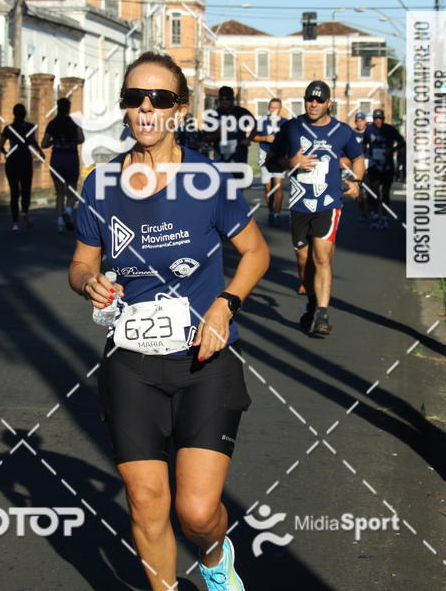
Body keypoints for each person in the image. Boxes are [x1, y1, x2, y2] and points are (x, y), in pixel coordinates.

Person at [69, 51, 269, 591]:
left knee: (197, 512)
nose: (146, 109)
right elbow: (82, 261)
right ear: (125, 109)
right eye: (135, 98)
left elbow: (255, 253)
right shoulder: (102, 184)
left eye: (159, 98)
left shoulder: (208, 179)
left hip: (203, 361)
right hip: (130, 362)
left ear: (179, 109)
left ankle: (214, 557)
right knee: (145, 500)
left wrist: (226, 306)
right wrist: (89, 280)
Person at [266, 80, 364, 336]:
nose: (314, 104)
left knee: (321, 256)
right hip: (299, 204)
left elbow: (358, 157)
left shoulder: (342, 131)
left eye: (319, 100)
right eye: (310, 98)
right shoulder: (292, 128)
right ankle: (311, 302)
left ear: (329, 103)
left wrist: (357, 181)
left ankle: (322, 313)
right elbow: (271, 161)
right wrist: (291, 161)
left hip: (328, 203)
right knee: (302, 261)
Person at [41, 98, 85, 232]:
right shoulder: (74, 123)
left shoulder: (52, 124)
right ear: (68, 108)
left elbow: (44, 144)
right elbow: (81, 139)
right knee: (71, 191)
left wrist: (54, 141)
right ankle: (68, 211)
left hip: (57, 159)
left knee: (59, 193)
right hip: (71, 158)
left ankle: (60, 223)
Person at [0, 104, 44, 231]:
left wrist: (7, 154)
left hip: (12, 161)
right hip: (25, 159)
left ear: (14, 113)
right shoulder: (29, 127)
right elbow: (32, 141)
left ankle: (15, 223)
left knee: (14, 192)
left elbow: (1, 145)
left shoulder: (8, 128)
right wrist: (40, 152)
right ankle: (24, 212)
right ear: (25, 114)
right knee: (26, 188)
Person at [363, 109, 405, 230]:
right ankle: (375, 213)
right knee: (373, 190)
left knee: (386, 192)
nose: (378, 121)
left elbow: (402, 142)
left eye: (380, 118)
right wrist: (362, 155)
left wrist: (391, 150)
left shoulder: (390, 129)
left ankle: (385, 214)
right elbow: (364, 144)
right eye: (376, 119)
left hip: (387, 165)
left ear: (383, 119)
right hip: (374, 165)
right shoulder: (369, 129)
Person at [203, 86, 256, 180]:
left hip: (239, 157)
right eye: (222, 98)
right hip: (220, 157)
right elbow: (206, 137)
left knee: (238, 188)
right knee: (222, 188)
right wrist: (217, 134)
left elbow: (256, 125)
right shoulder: (213, 115)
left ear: (232, 99)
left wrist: (249, 139)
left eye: (228, 98)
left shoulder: (241, 112)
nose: (225, 101)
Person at [252, 97, 287, 226]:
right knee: (267, 187)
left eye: (276, 108)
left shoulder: (285, 123)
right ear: (268, 108)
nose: (274, 110)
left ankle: (276, 213)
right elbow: (252, 137)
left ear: (280, 109)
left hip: (279, 155)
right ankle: (271, 209)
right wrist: (265, 138)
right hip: (264, 154)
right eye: (272, 107)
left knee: (278, 186)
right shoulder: (262, 121)